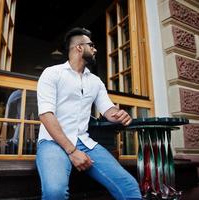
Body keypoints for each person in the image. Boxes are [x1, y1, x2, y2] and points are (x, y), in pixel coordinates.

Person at [36, 27, 142, 200]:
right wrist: (72, 151)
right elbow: (46, 115)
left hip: (85, 143)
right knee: (55, 192)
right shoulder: (52, 73)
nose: (95, 49)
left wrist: (119, 114)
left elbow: (108, 109)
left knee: (129, 187)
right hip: (52, 142)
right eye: (91, 45)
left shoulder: (95, 81)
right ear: (79, 47)